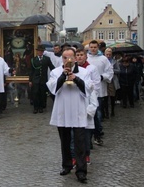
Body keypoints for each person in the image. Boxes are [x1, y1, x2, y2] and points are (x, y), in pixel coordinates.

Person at [47, 48, 89, 183]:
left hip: (78, 110)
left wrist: (75, 78)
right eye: (65, 58)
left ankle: (81, 171)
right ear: (62, 59)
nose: (68, 60)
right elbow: (53, 89)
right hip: (63, 110)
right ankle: (67, 165)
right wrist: (63, 76)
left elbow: (88, 89)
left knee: (79, 142)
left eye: (70, 57)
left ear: (76, 58)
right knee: (64, 141)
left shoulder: (84, 72)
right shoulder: (55, 72)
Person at [87, 40, 113, 146]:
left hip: (99, 90)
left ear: (98, 48)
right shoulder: (86, 58)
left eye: (95, 47)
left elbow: (110, 71)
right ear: (89, 48)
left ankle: (97, 134)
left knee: (97, 113)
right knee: (88, 114)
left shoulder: (103, 59)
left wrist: (103, 77)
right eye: (91, 47)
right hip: (87, 90)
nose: (93, 49)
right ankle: (89, 137)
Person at [29, 45, 55, 113]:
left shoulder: (47, 59)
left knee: (42, 94)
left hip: (43, 79)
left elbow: (52, 67)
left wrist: (58, 71)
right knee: (35, 94)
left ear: (43, 52)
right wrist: (30, 80)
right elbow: (31, 71)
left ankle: (41, 107)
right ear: (37, 52)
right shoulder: (33, 60)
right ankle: (35, 107)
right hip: (35, 79)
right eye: (39, 51)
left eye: (41, 51)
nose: (40, 52)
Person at [104, 48, 120, 117]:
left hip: (112, 80)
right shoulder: (102, 61)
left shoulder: (114, 62)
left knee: (112, 96)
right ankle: (106, 112)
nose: (108, 56)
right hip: (104, 80)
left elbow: (119, 71)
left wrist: (112, 70)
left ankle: (112, 110)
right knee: (105, 97)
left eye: (109, 54)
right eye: (107, 54)